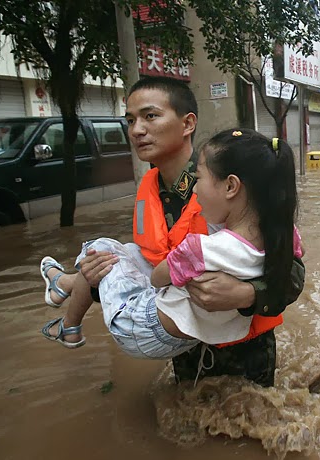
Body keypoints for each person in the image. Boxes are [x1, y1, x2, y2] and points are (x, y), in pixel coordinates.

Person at [39, 76, 305, 387]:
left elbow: (292, 270)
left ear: (187, 123)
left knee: (250, 425)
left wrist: (246, 294)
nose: (137, 130)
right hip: (180, 341)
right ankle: (71, 282)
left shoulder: (228, 179)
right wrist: (96, 276)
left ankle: (65, 284)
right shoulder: (148, 189)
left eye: (150, 116)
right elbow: (152, 271)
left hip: (243, 351)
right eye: (130, 120)